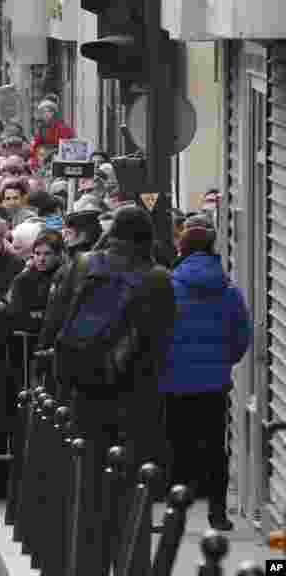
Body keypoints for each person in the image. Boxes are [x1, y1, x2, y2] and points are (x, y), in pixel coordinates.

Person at [42, 205, 176, 574]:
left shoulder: (82, 266)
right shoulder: (159, 279)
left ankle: (89, 565)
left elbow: (56, 327)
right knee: (135, 488)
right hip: (138, 400)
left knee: (89, 488)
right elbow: (163, 342)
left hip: (85, 394)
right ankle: (131, 564)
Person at [158, 215, 251, 531]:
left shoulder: (169, 288)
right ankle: (218, 512)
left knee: (178, 447)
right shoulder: (229, 290)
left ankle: (177, 514)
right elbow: (241, 336)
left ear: (181, 250)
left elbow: (157, 334)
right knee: (214, 448)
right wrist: (223, 362)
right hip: (214, 381)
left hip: (174, 380)